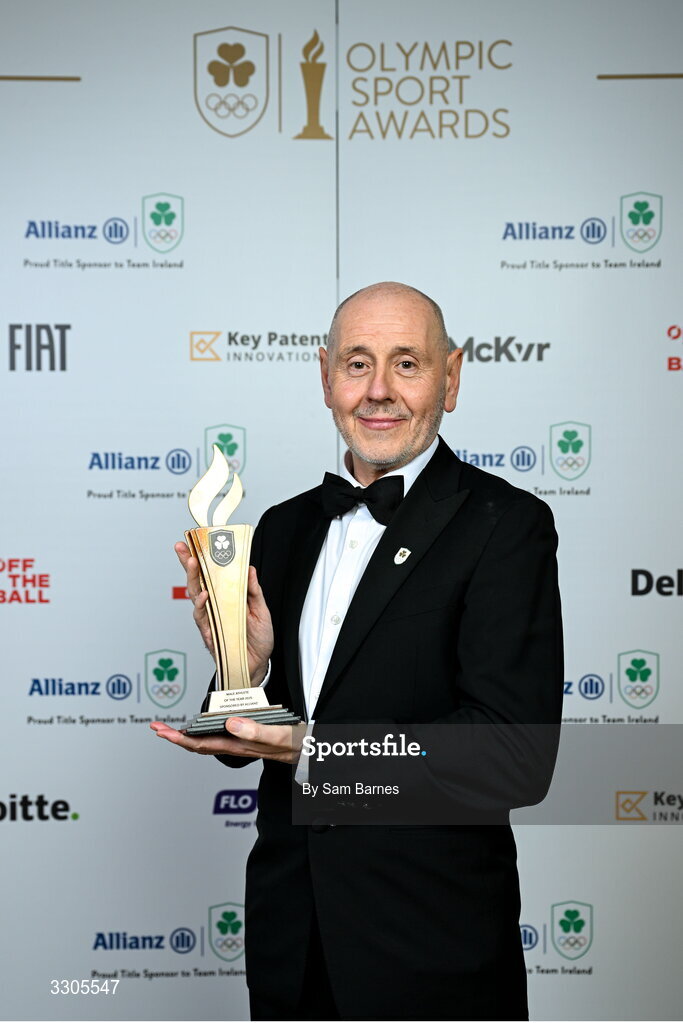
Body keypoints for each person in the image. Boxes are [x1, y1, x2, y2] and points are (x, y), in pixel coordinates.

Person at [151, 282, 563, 1021]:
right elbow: (249, 745)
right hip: (291, 944)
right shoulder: (283, 527)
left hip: (431, 952)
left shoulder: (506, 525)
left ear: (450, 378)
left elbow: (514, 755)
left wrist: (316, 749)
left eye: (406, 363)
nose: (378, 390)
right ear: (325, 376)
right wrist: (247, 668)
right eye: (357, 363)